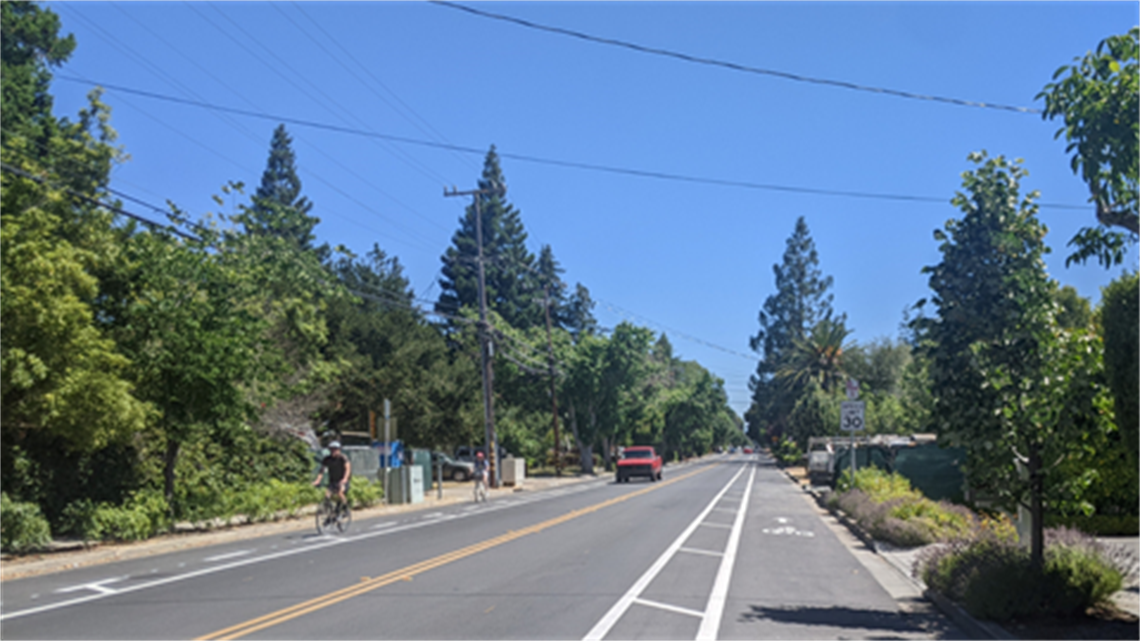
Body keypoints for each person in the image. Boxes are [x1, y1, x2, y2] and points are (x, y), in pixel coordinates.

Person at [313, 441, 352, 506]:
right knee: (327, 495)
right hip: (332, 481)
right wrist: (318, 480)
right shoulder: (327, 459)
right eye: (331, 449)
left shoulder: (343, 458)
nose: (333, 451)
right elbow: (321, 470)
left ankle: (345, 507)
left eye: (335, 449)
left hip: (342, 481)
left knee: (340, 493)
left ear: (339, 450)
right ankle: (330, 509)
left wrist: (345, 479)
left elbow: (348, 469)